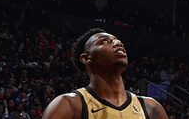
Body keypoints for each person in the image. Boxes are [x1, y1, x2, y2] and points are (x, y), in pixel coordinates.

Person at [41, 29, 169, 119]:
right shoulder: (69, 104)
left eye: (117, 40)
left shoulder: (151, 108)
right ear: (86, 58)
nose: (118, 43)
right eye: (104, 41)